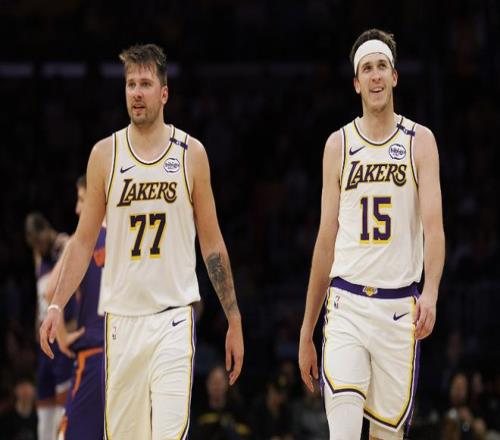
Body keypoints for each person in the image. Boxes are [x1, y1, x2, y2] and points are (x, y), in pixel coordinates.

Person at [39, 43, 244, 439]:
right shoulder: (105, 155)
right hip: (121, 321)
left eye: (145, 84)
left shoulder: (191, 154)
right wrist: (56, 304)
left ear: (164, 93)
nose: (136, 92)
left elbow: (213, 244)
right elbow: (82, 243)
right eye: (130, 84)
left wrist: (233, 318)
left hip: (173, 318)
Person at [298, 29, 445, 440]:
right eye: (367, 68)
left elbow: (434, 229)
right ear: (356, 82)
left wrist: (431, 292)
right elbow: (325, 240)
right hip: (347, 304)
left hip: (399, 310)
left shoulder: (420, 141)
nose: (375, 75)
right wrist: (307, 328)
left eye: (382, 66)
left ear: (394, 76)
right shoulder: (338, 145)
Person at [44, 174, 106, 439]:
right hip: (129, 352)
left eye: (82, 199)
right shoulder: (130, 236)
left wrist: (63, 337)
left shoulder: (81, 240)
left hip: (93, 354)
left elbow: (50, 291)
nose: (78, 208)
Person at [25, 212, 75, 440]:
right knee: (44, 398)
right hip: (44, 336)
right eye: (33, 244)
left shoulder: (65, 244)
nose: (37, 246)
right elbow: (41, 294)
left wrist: (71, 324)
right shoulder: (38, 255)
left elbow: (74, 287)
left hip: (61, 331)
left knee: (62, 399)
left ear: (45, 230)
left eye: (38, 240)